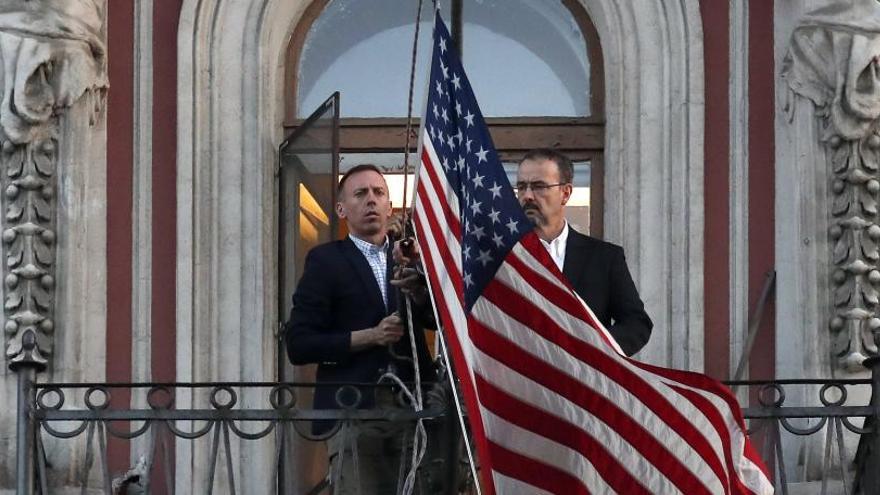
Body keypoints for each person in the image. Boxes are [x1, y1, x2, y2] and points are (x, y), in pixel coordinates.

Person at [284, 164, 434, 494]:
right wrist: (369, 337)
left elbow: (438, 323)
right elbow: (299, 344)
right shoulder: (326, 260)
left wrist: (421, 289)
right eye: (360, 193)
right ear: (341, 209)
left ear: (390, 206)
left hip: (415, 408)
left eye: (379, 193)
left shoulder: (412, 256)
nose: (371, 200)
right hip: (354, 408)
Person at [516, 149, 653, 356]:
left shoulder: (604, 258)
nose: (527, 196)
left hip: (582, 382)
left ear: (566, 193)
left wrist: (594, 351)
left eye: (538, 186)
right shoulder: (502, 255)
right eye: (521, 187)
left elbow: (636, 324)